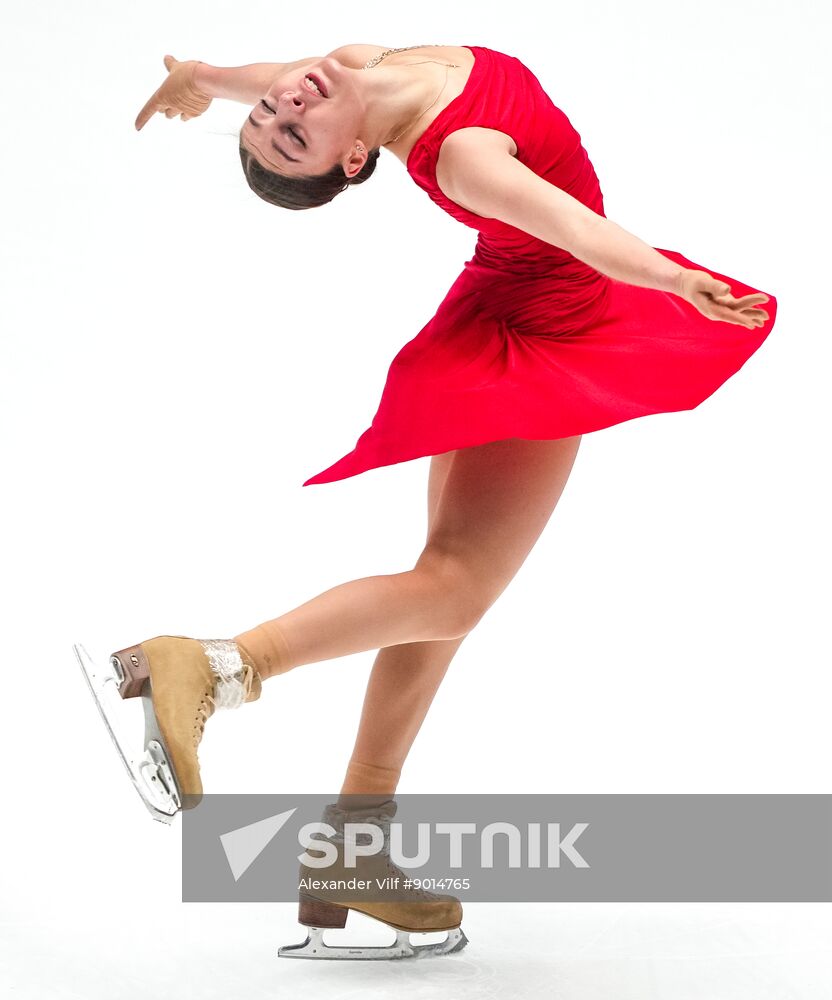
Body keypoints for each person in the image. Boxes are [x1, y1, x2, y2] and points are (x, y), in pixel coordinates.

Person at [94, 43, 775, 959]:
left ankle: (353, 840)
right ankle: (214, 665)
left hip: (501, 307)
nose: (286, 104)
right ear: (351, 160)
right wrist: (671, 277)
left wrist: (210, 84)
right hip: (545, 328)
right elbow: (576, 232)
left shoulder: (354, 66)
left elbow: (280, 80)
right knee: (455, 589)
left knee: (441, 593)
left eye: (276, 119)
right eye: (289, 130)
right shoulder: (458, 155)